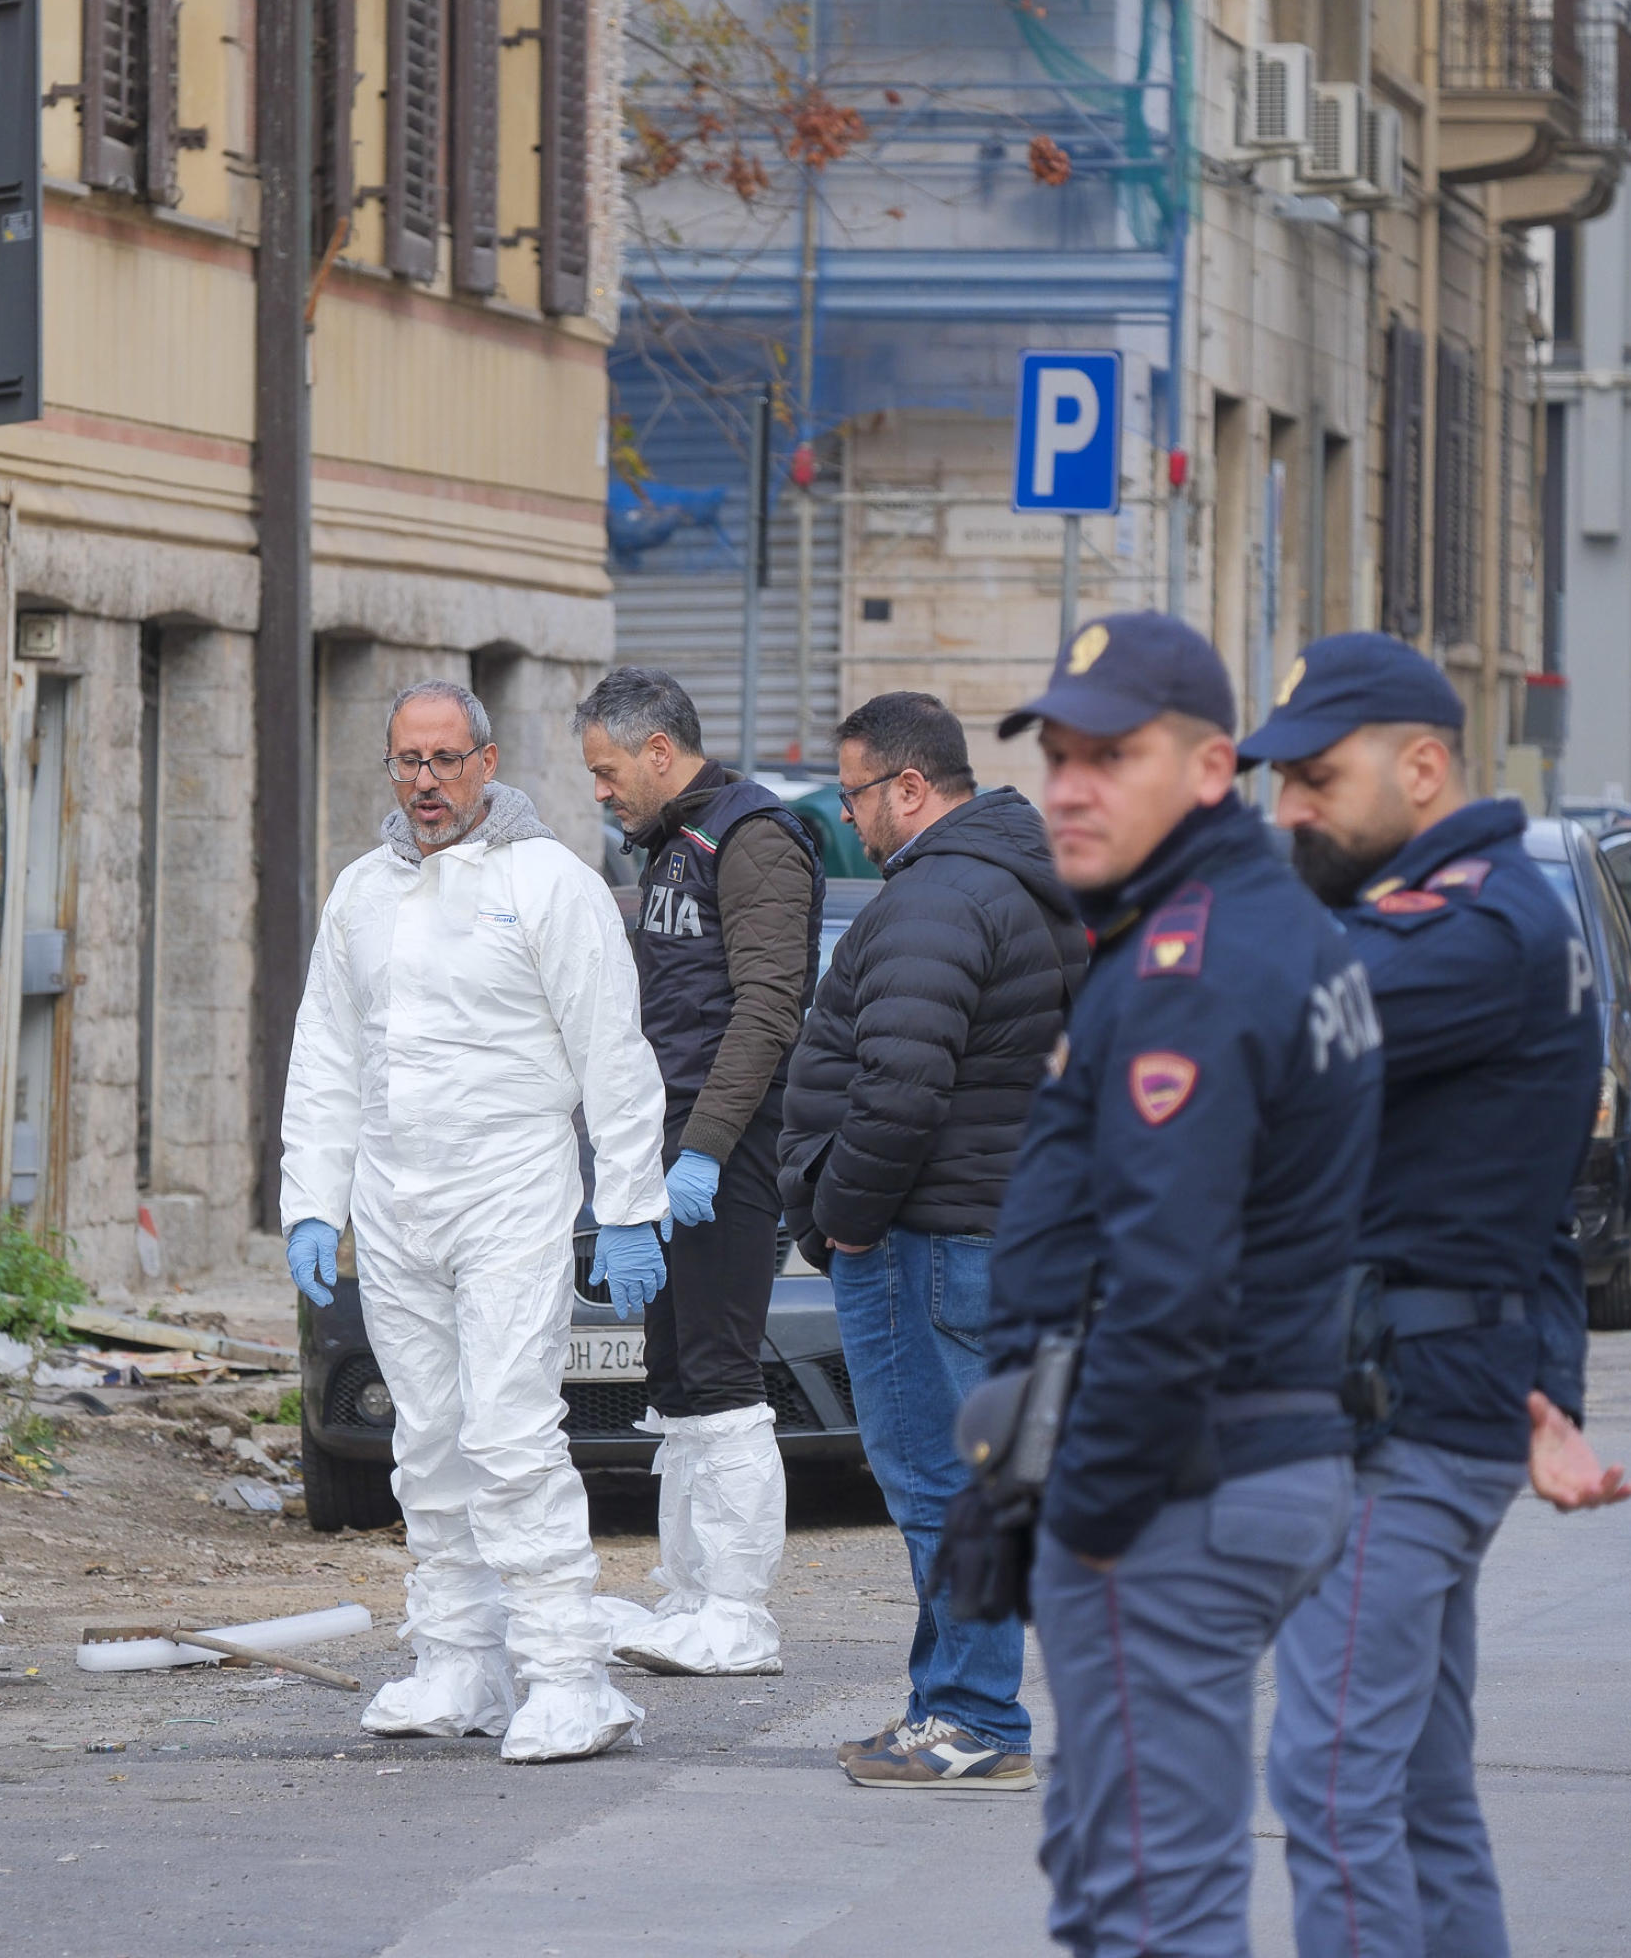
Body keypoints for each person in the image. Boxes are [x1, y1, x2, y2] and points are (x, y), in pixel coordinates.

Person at [985, 613, 1381, 1953]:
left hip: (1177, 1488)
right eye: (1059, 754)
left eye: (1114, 755)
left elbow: (1168, 1277)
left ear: (1213, 768)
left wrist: (1085, 1507)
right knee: (1122, 1871)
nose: (1072, 786)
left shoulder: (1193, 963)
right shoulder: (1246, 921)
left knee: (1150, 1904)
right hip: (1240, 1461)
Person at [1240, 634, 1631, 1958]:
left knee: (1332, 1782)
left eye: (1314, 780)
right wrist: (1546, 1396)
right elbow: (1532, 1207)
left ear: (1422, 767)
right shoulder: (1482, 912)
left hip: (1397, 1425)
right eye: (1278, 783)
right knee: (1411, 1790)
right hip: (1421, 1402)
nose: (1289, 808)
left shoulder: (1467, 931)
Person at [281, 679, 666, 1762]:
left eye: (448, 761)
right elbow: (328, 1056)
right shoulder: (360, 893)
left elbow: (613, 1057)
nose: (428, 783)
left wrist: (630, 1204)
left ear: (488, 763)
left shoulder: (549, 883)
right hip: (395, 1199)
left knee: (508, 1433)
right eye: (409, 761)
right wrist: (313, 1197)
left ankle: (567, 1674)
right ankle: (457, 1660)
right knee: (430, 1436)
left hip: (509, 1188)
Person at [777, 690, 1084, 1789]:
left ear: (911, 786)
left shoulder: (937, 899)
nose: (849, 819)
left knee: (938, 1485)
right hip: (987, 1226)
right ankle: (948, 1702)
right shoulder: (1012, 877)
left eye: (856, 792)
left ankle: (971, 1716)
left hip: (923, 1236)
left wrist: (839, 1221)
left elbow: (901, 1087)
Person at [571, 668, 821, 1678]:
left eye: (608, 768)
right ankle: (688, 1593)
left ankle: (738, 1609)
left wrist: (708, 1150)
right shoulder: (675, 846)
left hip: (726, 1148)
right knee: (674, 1378)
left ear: (661, 750)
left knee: (721, 1378)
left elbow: (768, 1010)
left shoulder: (752, 838)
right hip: (667, 1147)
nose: (599, 789)